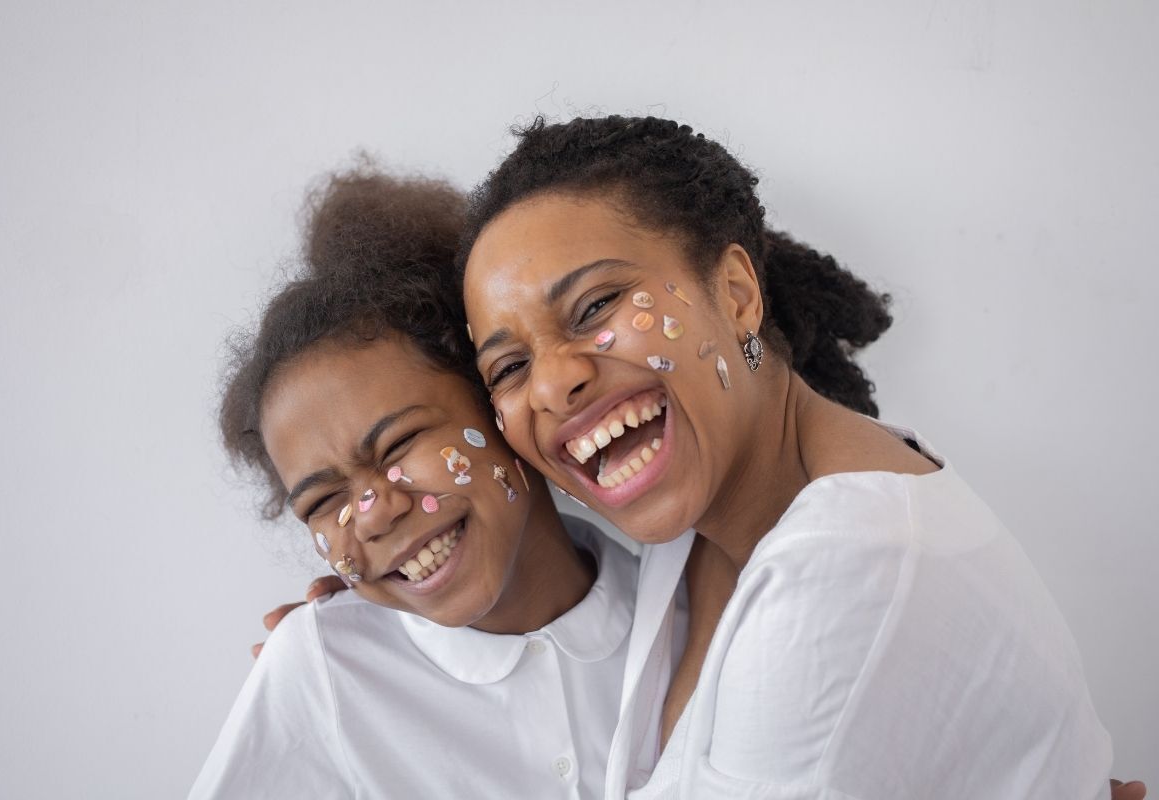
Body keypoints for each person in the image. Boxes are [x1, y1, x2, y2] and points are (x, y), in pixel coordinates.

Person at [455, 115, 1120, 798]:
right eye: (507, 368)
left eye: (595, 305)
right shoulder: (709, 531)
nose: (552, 385)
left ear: (738, 294)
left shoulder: (840, 571)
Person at [192, 170, 639, 798]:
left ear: (497, 397)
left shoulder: (684, 604)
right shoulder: (323, 672)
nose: (372, 514)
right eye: (323, 501)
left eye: (398, 444)